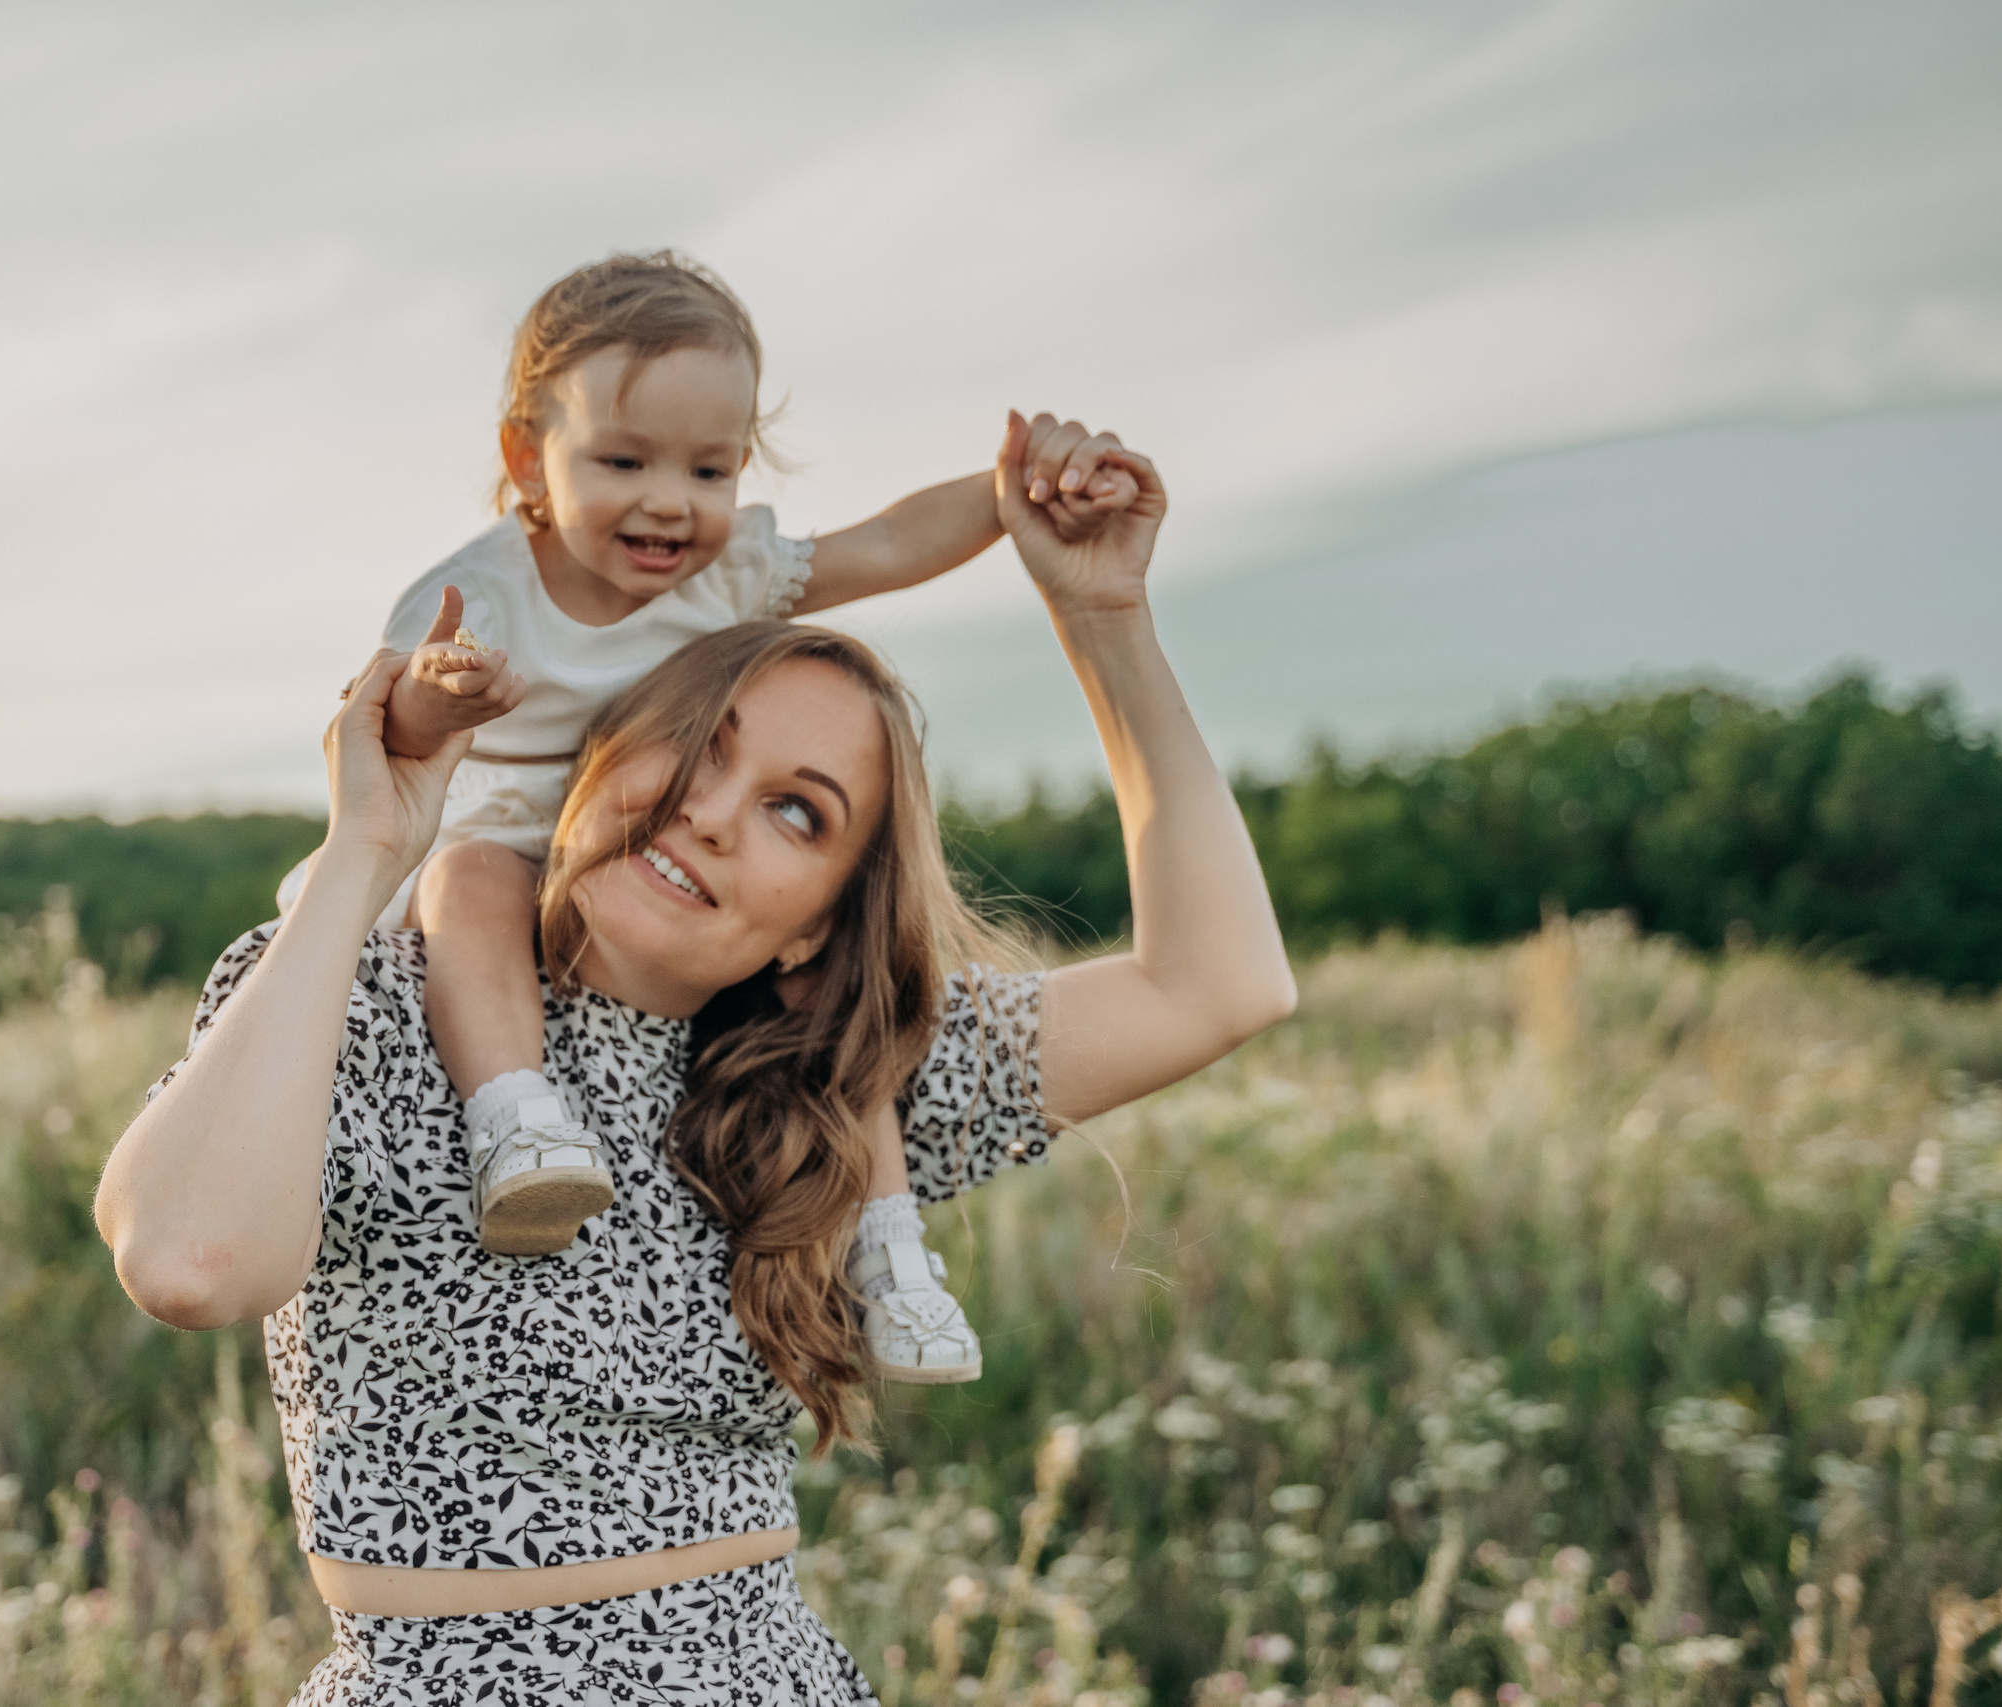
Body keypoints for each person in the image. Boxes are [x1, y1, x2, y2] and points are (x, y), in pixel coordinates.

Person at [95, 411, 1296, 1703]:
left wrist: (1104, 620)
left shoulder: (826, 1076)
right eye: (696, 745)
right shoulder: (377, 996)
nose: (710, 815)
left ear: (816, 924)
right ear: (599, 752)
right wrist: (362, 857)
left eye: (796, 812)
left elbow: (1217, 984)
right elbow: (189, 1259)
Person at [268, 251, 1138, 1382]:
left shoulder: (723, 578)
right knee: (471, 882)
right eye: (624, 460)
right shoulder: (478, 594)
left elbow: (883, 545)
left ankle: (891, 1255)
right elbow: (394, 719)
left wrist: (1017, 493)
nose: (671, 500)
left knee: (819, 1004)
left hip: (646, 858)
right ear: (529, 460)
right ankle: (516, 1119)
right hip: (502, 851)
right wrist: (449, 692)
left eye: (710, 468)